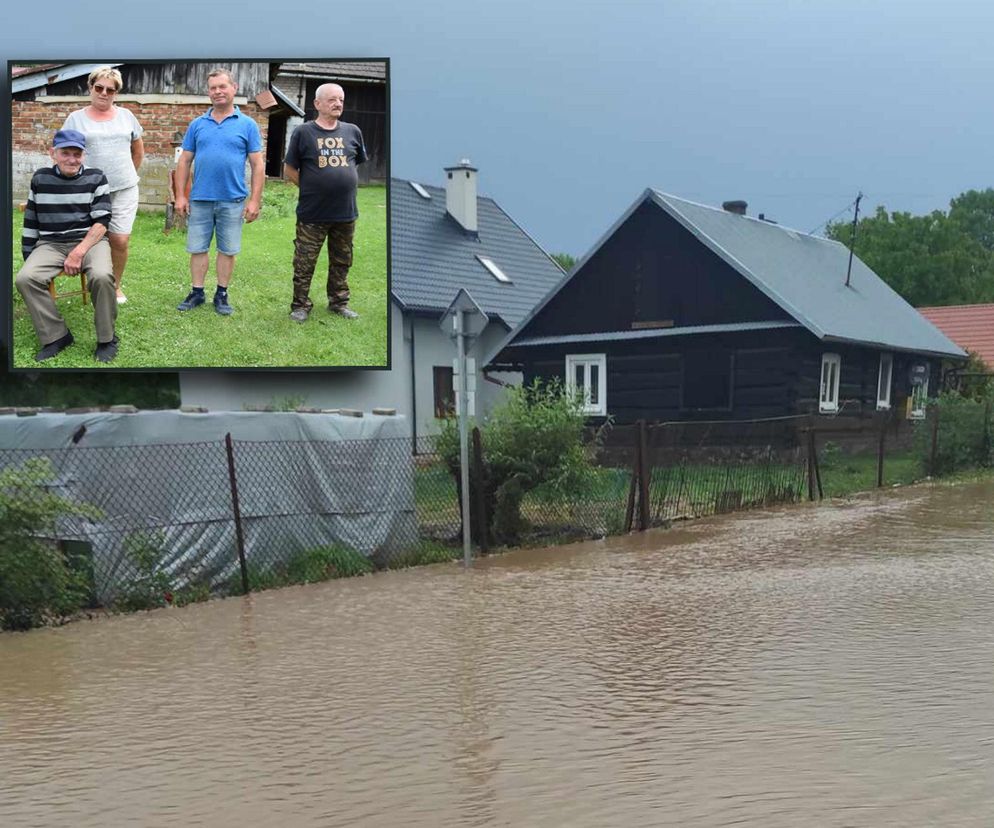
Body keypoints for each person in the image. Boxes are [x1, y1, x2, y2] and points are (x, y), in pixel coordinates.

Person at [15, 129, 118, 363]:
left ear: (84, 155)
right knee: (25, 278)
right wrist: (29, 257)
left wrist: (78, 252)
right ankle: (57, 336)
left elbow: (102, 223)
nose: (72, 159)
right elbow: (31, 219)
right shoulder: (40, 178)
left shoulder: (96, 177)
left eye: (77, 153)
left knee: (101, 276)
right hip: (50, 243)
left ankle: (107, 339)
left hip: (90, 241)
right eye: (66, 153)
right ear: (53, 153)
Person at [173, 68, 264, 316]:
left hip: (232, 199)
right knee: (197, 248)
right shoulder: (197, 125)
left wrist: (255, 200)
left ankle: (221, 293)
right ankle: (197, 292)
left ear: (233, 88)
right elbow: (184, 161)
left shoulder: (247, 125)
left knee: (228, 249)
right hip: (200, 198)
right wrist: (180, 195)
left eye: (222, 86)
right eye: (213, 88)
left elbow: (257, 165)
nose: (217, 92)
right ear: (208, 92)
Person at [284, 82, 368, 322]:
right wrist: (311, 187)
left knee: (342, 261)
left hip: (345, 213)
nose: (337, 103)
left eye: (340, 99)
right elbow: (290, 169)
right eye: (331, 99)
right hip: (313, 213)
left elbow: (355, 163)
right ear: (317, 104)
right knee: (304, 262)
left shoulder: (353, 131)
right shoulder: (304, 132)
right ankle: (300, 305)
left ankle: (339, 302)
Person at [62, 66, 144, 305]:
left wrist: (125, 174)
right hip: (88, 192)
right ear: (90, 87)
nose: (104, 93)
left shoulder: (127, 116)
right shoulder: (75, 119)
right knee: (92, 239)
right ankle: (96, 278)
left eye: (110, 89)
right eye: (99, 87)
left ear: (116, 93)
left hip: (124, 189)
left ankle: (115, 286)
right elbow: (64, 153)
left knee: (119, 240)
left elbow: (137, 151)